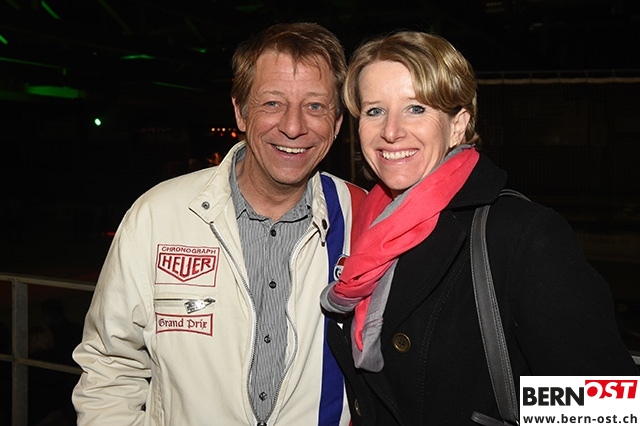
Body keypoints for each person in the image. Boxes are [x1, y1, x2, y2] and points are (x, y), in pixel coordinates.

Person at [320, 30, 638, 425]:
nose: (391, 130)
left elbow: (606, 406)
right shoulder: (370, 225)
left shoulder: (520, 234)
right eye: (374, 111)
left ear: (458, 125)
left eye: (416, 108)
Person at [72, 22, 366, 426]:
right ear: (240, 111)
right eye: (272, 103)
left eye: (315, 106)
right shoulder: (159, 215)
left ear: (337, 122)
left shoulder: (362, 216)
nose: (293, 126)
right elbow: (109, 366)